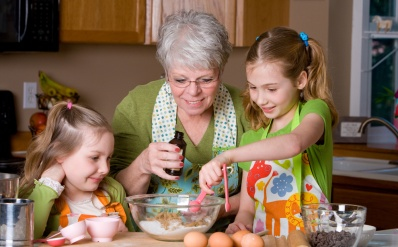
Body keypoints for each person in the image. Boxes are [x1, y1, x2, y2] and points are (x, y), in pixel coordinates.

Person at [109, 10, 249, 229]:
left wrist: (214, 211)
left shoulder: (245, 109)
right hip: (150, 238)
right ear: (166, 72)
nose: (193, 92)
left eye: (206, 79)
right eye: (180, 80)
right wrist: (143, 165)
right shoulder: (136, 106)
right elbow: (113, 197)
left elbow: (260, 189)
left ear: (221, 72)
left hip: (221, 237)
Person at [199, 26, 339, 237]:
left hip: (313, 241)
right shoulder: (252, 139)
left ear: (300, 80)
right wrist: (240, 225)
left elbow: (293, 144)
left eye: (271, 89)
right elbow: (247, 210)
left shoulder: (315, 112)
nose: (260, 99)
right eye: (253, 87)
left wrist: (227, 156)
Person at [19, 102, 135, 239]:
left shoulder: (114, 190)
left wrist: (125, 236)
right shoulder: (32, 194)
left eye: (108, 158)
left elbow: (137, 240)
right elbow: (24, 237)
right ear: (60, 153)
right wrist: (49, 185)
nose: (105, 169)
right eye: (95, 157)